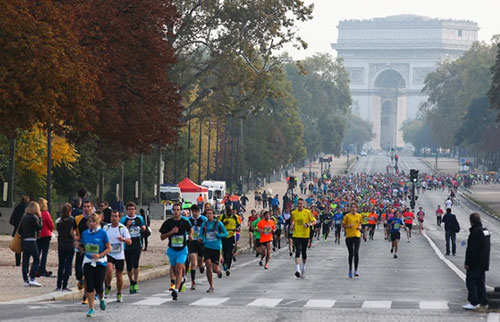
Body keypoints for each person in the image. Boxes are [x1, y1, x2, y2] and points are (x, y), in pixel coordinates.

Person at [78, 213, 111, 317]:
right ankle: (91, 309)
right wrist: (79, 248)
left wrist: (100, 255)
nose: (91, 224)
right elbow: (82, 246)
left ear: (97, 223)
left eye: (93, 222)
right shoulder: (84, 233)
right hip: (88, 261)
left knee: (99, 285)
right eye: (90, 222)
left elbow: (109, 248)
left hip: (100, 262)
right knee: (90, 285)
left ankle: (101, 299)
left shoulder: (102, 233)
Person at [160, 203, 192, 300]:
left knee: (178, 268)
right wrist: (171, 232)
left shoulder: (185, 221)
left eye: (178, 210)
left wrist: (190, 235)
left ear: (181, 211)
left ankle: (176, 290)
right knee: (174, 269)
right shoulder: (168, 223)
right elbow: (162, 237)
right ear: (172, 211)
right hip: (172, 249)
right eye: (175, 210)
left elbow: (190, 230)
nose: (176, 212)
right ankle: (181, 279)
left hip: (182, 249)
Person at [463, 213, 491, 310]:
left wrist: (467, 262)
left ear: (472, 221)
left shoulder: (475, 232)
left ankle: (474, 302)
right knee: (480, 282)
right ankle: (483, 301)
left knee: (471, 281)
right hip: (484, 261)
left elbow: (472, 249)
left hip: (475, 262)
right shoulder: (485, 230)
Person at [104, 210, 132, 303]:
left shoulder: (122, 228)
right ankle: (107, 286)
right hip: (109, 253)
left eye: (116, 216)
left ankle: (119, 293)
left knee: (119, 275)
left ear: (119, 218)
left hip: (119, 254)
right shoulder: (106, 227)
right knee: (109, 269)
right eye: (112, 216)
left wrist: (123, 239)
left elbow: (129, 241)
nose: (114, 218)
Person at [198, 208, 228, 292]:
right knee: (208, 265)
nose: (209, 215)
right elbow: (201, 234)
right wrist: (201, 238)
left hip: (216, 247)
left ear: (213, 214)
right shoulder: (204, 224)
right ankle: (211, 286)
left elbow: (226, 233)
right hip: (207, 247)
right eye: (207, 214)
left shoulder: (218, 223)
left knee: (214, 269)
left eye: (210, 213)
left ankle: (218, 271)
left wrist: (218, 235)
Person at [120, 202, 146, 294]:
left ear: (135, 209)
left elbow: (144, 229)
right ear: (127, 210)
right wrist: (127, 226)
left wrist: (141, 226)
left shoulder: (139, 218)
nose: (131, 211)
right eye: (129, 209)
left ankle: (135, 281)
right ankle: (131, 281)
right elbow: (121, 231)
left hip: (137, 243)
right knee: (129, 264)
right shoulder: (123, 219)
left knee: (136, 263)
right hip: (127, 244)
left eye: (132, 209)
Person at [18, 201, 43, 287]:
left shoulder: (24, 217)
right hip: (31, 240)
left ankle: (25, 280)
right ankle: (32, 278)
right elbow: (39, 227)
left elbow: (19, 230)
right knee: (36, 259)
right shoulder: (34, 217)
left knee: (25, 261)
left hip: (24, 241)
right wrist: (40, 218)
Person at [74, 200, 94, 304]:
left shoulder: (95, 219)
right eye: (84, 207)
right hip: (81, 247)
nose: (86, 208)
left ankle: (86, 296)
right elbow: (72, 230)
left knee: (88, 273)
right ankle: (80, 280)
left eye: (88, 206)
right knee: (78, 270)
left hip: (91, 248)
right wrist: (75, 237)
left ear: (92, 208)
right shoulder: (78, 218)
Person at [291, 198, 316, 278]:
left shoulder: (307, 212)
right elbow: (293, 220)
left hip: (305, 234)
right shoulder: (294, 213)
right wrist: (292, 225)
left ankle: (303, 267)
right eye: (298, 203)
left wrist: (309, 225)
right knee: (297, 251)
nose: (299, 205)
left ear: (303, 204)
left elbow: (314, 221)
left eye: (301, 204)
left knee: (304, 252)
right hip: (297, 234)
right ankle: (297, 270)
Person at [55, 203, 76, 291]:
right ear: (70, 211)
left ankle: (58, 284)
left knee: (61, 265)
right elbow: (72, 233)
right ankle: (65, 285)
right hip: (70, 244)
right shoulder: (72, 221)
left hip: (61, 244)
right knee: (68, 265)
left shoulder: (59, 222)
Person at [187, 204, 207, 290]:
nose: (194, 213)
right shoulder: (188, 220)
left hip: (201, 242)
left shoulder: (203, 219)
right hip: (192, 242)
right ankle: (193, 282)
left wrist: (202, 237)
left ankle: (202, 266)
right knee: (193, 262)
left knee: (199, 262)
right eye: (193, 212)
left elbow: (208, 230)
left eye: (196, 212)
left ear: (199, 212)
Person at [219, 207, 241, 276]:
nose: (229, 213)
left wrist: (237, 228)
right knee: (225, 252)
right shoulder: (222, 217)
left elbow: (238, 224)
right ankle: (225, 264)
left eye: (230, 211)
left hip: (231, 235)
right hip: (224, 236)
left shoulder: (235, 217)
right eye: (227, 211)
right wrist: (224, 223)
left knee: (230, 252)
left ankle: (228, 267)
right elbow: (218, 225)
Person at [342, 203, 362, 278]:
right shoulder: (347, 216)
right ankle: (350, 269)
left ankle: (356, 270)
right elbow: (343, 225)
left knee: (356, 253)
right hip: (349, 236)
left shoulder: (359, 216)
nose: (353, 208)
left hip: (357, 236)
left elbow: (360, 224)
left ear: (357, 208)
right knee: (351, 254)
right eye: (352, 207)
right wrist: (348, 226)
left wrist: (359, 227)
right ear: (350, 208)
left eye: (355, 207)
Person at [9, 195, 30, 266]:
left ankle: (17, 262)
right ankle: (25, 262)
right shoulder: (29, 209)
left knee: (18, 247)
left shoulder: (17, 208)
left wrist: (16, 225)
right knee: (26, 247)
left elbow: (11, 220)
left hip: (17, 230)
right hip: (27, 231)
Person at [36, 197, 54, 277]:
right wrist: (50, 230)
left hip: (38, 235)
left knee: (38, 252)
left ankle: (36, 268)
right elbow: (51, 224)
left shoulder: (36, 213)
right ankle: (42, 269)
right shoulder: (46, 213)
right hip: (46, 234)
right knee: (44, 253)